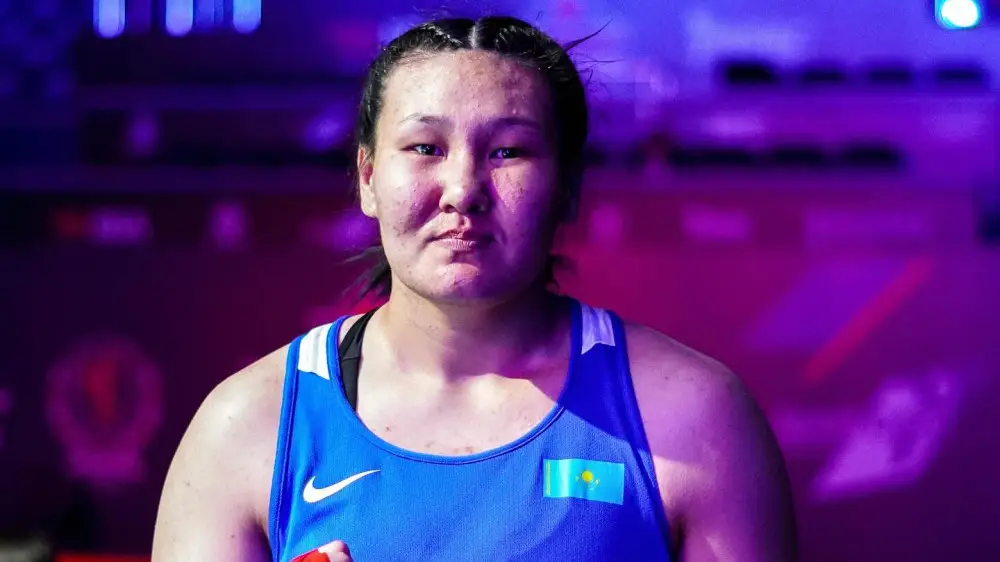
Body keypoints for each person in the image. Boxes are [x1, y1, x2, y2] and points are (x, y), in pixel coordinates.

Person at [151, 15, 796, 562]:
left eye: (508, 151)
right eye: (425, 147)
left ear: (568, 186)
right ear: (368, 178)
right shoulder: (246, 429)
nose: (463, 189)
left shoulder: (694, 418)